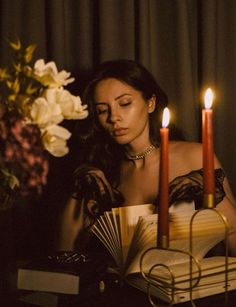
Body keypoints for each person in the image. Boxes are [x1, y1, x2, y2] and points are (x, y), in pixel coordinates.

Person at [56, 59, 236, 256]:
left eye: (124, 103)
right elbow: (64, 253)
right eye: (102, 110)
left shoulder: (194, 156)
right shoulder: (102, 172)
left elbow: (233, 240)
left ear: (150, 103)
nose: (113, 117)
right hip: (120, 286)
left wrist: (211, 193)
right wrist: (76, 191)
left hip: (186, 284)